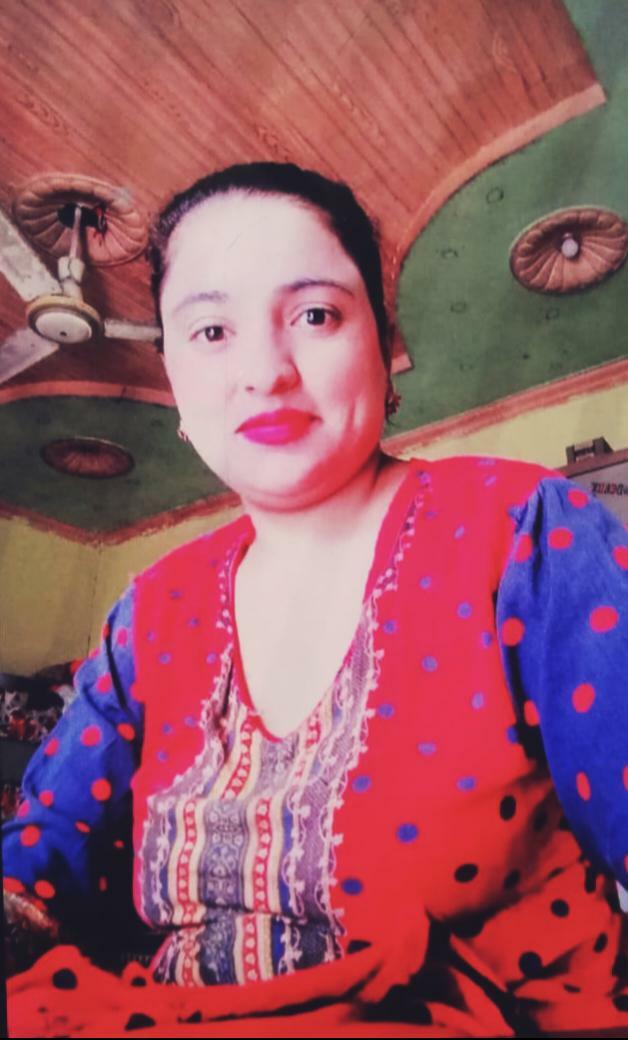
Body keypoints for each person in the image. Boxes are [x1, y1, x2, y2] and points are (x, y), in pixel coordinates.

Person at [3, 162, 628, 1037]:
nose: (265, 372)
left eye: (316, 315)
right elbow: (40, 862)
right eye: (211, 330)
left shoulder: (524, 530)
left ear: (383, 342)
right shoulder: (147, 614)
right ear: (174, 381)